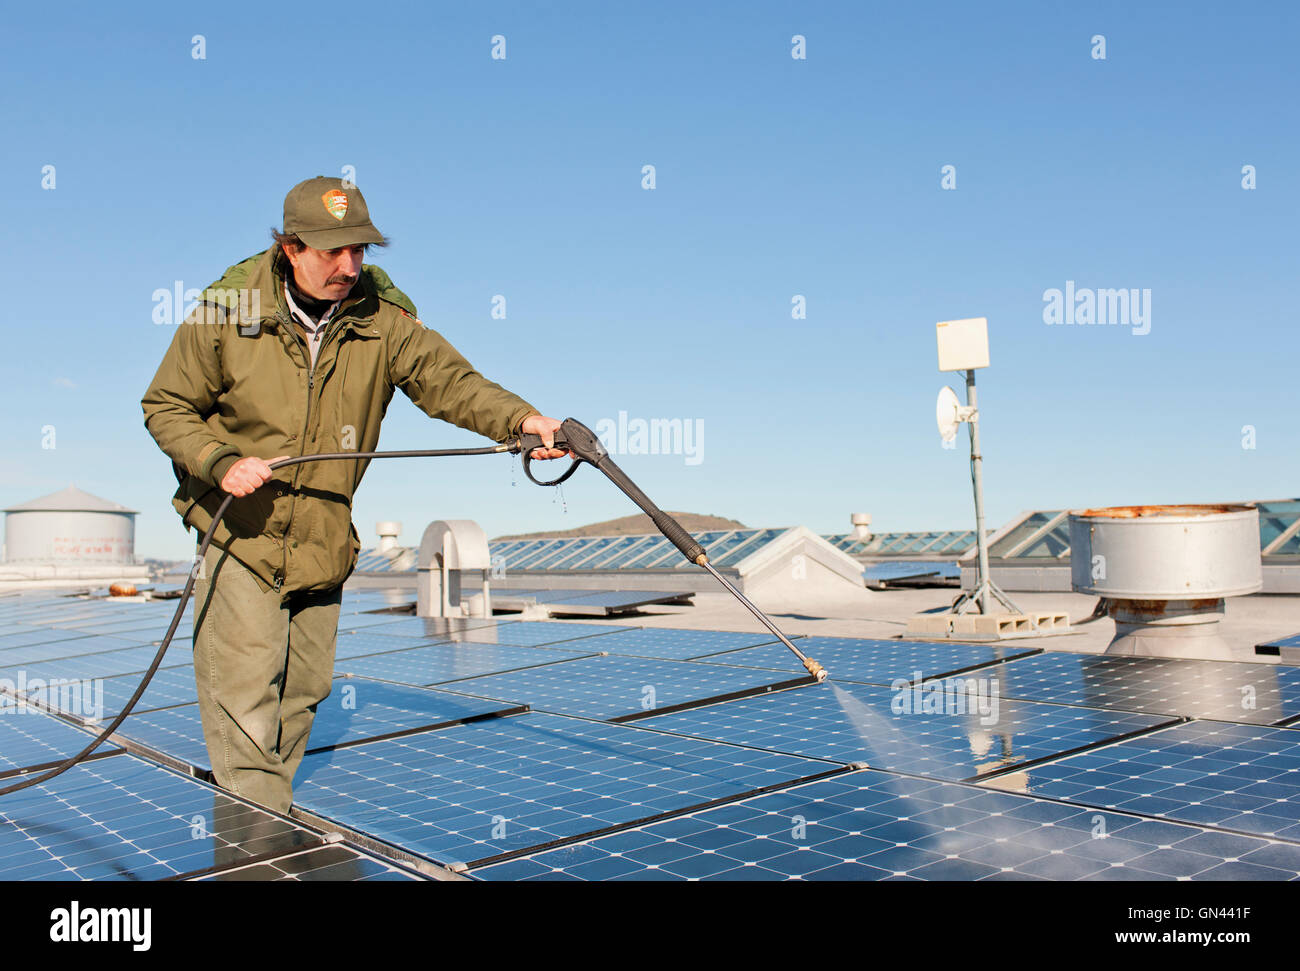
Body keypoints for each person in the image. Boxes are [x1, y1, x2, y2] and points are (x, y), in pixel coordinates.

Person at [141, 176, 567, 813]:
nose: (349, 266)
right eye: (331, 251)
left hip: (325, 535)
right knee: (247, 705)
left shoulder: (382, 322)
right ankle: (254, 846)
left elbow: (453, 384)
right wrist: (219, 460)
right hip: (242, 534)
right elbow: (166, 406)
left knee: (303, 695)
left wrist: (525, 422)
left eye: (360, 250)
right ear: (290, 247)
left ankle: (267, 823)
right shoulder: (224, 314)